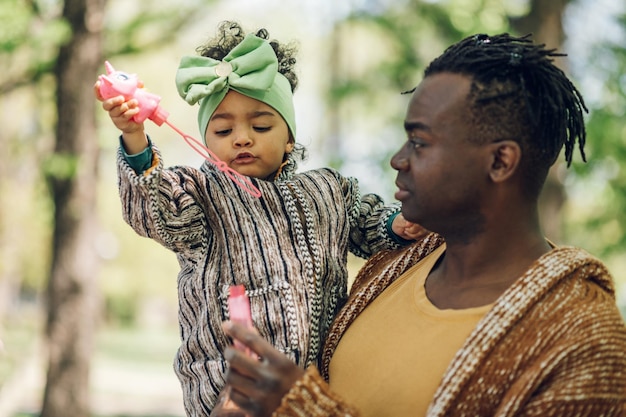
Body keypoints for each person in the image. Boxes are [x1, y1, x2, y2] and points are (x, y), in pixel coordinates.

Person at [221, 33, 626, 417]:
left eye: (419, 142)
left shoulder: (585, 342)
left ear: (500, 161)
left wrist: (301, 408)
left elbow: (308, 403)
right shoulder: (390, 267)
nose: (398, 160)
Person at [94, 21, 423, 416]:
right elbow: (157, 213)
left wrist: (395, 225)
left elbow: (367, 222)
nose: (242, 137)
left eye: (261, 125)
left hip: (316, 388)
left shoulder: (328, 191)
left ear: (289, 138)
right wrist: (135, 139)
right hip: (232, 389)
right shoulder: (201, 194)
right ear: (206, 139)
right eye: (222, 128)